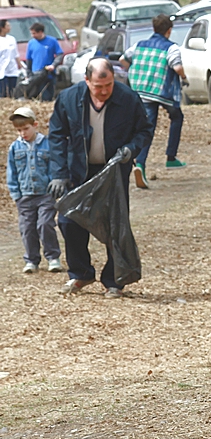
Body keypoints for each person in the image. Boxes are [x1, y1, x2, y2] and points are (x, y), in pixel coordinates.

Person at [48, 58, 153, 298]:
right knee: (68, 221)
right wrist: (59, 174)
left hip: (114, 172)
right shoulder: (68, 99)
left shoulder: (128, 99)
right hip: (78, 171)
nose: (104, 91)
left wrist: (131, 149)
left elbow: (144, 130)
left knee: (115, 223)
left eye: (109, 85)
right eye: (98, 86)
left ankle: (114, 281)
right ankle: (81, 273)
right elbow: (57, 136)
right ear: (87, 81)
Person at [120, 14, 189, 188]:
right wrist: (184, 77)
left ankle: (141, 163)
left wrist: (135, 71)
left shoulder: (139, 45)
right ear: (169, 30)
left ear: (154, 28)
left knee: (147, 127)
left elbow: (123, 59)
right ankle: (170, 157)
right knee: (176, 117)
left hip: (141, 91)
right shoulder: (171, 48)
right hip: (163, 92)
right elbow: (177, 66)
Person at [7, 107, 62, 274]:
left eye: (26, 128)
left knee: (45, 224)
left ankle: (53, 257)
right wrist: (16, 194)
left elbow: (54, 167)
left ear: (35, 125)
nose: (23, 133)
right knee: (27, 228)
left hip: (45, 194)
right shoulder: (15, 147)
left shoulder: (47, 144)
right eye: (19, 130)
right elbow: (12, 172)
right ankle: (31, 260)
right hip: (24, 195)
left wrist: (54, 187)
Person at [27, 23, 62, 101]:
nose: (32, 36)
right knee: (39, 96)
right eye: (31, 33)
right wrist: (28, 73)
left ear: (40, 32)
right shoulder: (31, 43)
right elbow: (29, 59)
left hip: (49, 74)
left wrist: (53, 65)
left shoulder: (52, 41)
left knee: (49, 96)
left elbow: (59, 54)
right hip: (36, 75)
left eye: (34, 33)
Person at [0, 20, 18, 97]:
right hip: (2, 69)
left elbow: (16, 54)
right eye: (7, 26)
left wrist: (20, 65)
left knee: (12, 91)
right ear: (2, 28)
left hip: (12, 69)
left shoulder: (12, 39)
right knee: (3, 91)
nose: (10, 27)